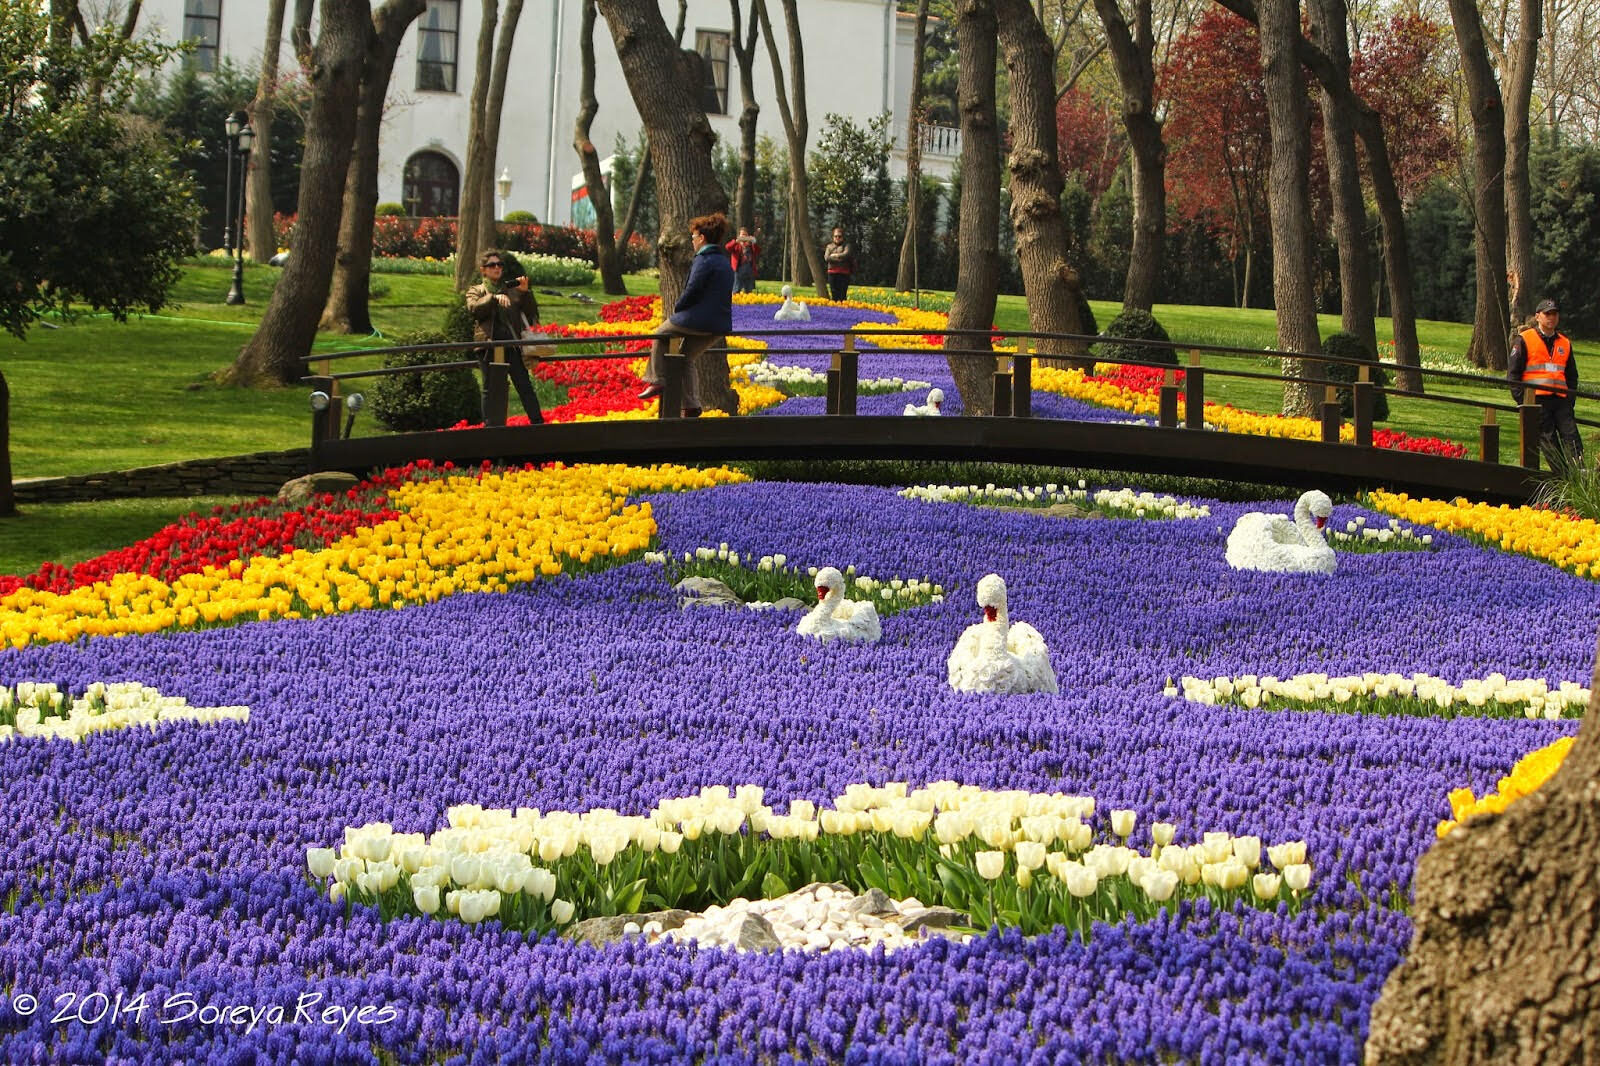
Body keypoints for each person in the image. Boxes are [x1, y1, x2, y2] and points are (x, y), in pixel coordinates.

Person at [637, 212, 734, 417]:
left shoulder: (703, 259)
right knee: (686, 358)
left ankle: (656, 380)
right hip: (719, 324)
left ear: (702, 238)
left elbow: (692, 289)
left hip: (699, 320)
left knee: (661, 333)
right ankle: (691, 405)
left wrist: (679, 307)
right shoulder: (724, 261)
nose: (692, 241)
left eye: (693, 237)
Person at [465, 250, 544, 425]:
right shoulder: (476, 290)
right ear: (483, 270)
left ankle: (538, 423)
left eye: (499, 264)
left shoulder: (511, 290)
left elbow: (531, 313)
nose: (497, 268)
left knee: (524, 385)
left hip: (512, 346)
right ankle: (490, 428)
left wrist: (525, 293)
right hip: (489, 347)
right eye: (492, 265)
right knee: (490, 389)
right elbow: (474, 309)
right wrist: (493, 298)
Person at [1508, 297, 1582, 469]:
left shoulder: (1565, 342)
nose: (1552, 317)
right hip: (1537, 400)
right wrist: (1524, 402)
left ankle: (1580, 473)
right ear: (1537, 316)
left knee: (1572, 436)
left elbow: (1572, 376)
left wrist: (1570, 399)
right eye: (1547, 314)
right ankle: (1562, 476)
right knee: (1549, 440)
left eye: (1555, 314)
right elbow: (1513, 375)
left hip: (1561, 400)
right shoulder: (1524, 339)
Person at [823, 226, 854, 302]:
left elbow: (846, 255)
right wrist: (840, 258)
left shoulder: (847, 246)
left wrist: (834, 255)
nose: (837, 238)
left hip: (844, 273)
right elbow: (827, 258)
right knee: (834, 294)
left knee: (842, 295)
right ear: (833, 237)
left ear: (843, 237)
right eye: (835, 236)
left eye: (839, 236)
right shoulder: (829, 246)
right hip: (832, 273)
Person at [726, 226, 760, 293]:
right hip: (738, 269)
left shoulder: (751, 245)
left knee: (749, 290)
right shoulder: (736, 244)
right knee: (736, 289)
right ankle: (735, 299)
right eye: (742, 234)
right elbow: (727, 247)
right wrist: (736, 241)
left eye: (745, 235)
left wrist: (753, 242)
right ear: (739, 235)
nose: (744, 236)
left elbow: (758, 251)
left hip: (749, 269)